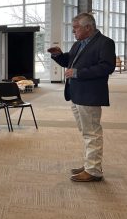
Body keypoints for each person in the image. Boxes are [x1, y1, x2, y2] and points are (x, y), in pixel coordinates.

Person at [48, 12, 115, 182]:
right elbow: (70, 62)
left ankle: (93, 171)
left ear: (88, 27)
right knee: (86, 132)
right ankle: (89, 164)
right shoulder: (78, 44)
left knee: (92, 133)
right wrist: (58, 55)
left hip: (90, 94)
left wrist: (79, 73)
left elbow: (107, 67)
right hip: (76, 94)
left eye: (76, 28)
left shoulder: (105, 43)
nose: (73, 31)